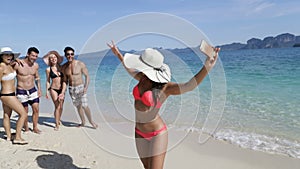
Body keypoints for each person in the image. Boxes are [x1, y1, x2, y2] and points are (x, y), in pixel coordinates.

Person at [107, 41, 220, 169]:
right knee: (147, 167)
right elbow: (129, 69)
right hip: (139, 132)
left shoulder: (166, 88)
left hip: (157, 134)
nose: (141, 70)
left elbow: (189, 86)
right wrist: (118, 55)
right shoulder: (142, 77)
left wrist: (207, 68)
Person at [61, 46, 98, 129]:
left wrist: (86, 87)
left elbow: (87, 76)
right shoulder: (64, 67)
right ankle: (83, 122)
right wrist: (63, 92)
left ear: (74, 54)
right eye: (68, 54)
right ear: (65, 55)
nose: (70, 56)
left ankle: (91, 121)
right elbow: (65, 81)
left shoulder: (80, 64)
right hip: (71, 89)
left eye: (72, 54)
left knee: (85, 105)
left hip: (81, 87)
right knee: (78, 106)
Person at [0, 47, 28, 144]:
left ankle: (8, 136)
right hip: (6, 95)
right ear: (1, 56)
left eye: (10, 55)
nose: (9, 56)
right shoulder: (1, 67)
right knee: (23, 114)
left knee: (7, 115)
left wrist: (16, 60)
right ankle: (18, 137)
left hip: (10, 94)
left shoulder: (10, 65)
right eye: (6, 54)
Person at [14, 47, 42, 134]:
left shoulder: (36, 65)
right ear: (27, 54)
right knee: (24, 111)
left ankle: (35, 127)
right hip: (21, 91)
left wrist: (39, 89)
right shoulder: (18, 64)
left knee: (36, 109)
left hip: (33, 90)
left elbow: (37, 78)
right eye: (33, 55)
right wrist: (15, 58)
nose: (34, 58)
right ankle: (26, 128)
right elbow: (9, 73)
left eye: (36, 56)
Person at [43, 51, 66, 130]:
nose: (53, 59)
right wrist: (46, 91)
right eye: (51, 58)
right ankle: (57, 125)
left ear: (57, 58)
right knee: (57, 106)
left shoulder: (62, 68)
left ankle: (58, 119)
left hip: (61, 89)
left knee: (61, 106)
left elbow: (65, 80)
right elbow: (48, 81)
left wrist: (63, 91)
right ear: (49, 60)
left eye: (55, 57)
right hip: (53, 89)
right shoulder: (48, 69)